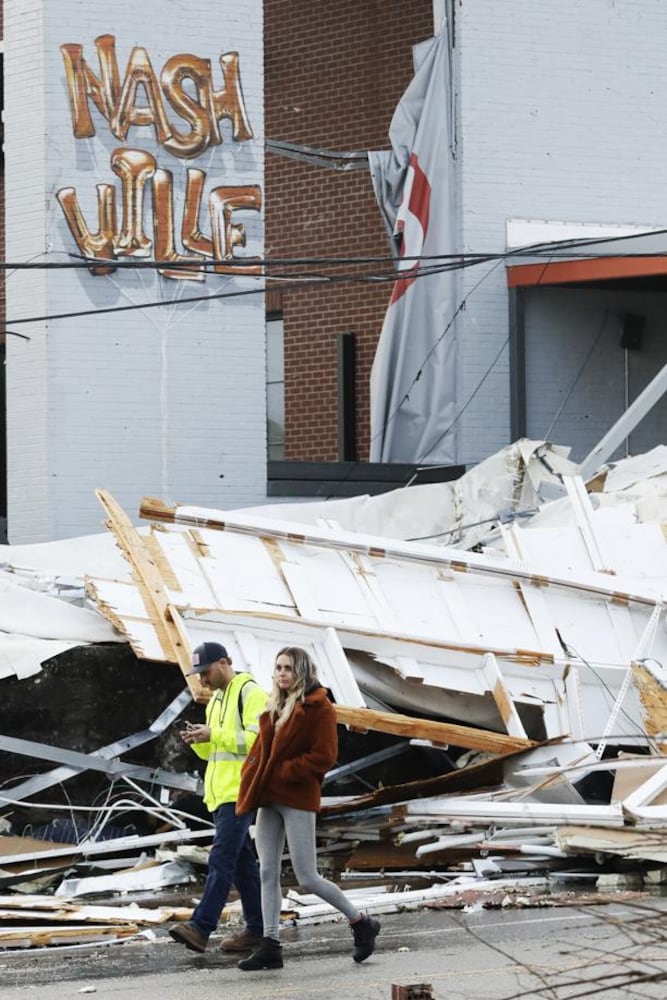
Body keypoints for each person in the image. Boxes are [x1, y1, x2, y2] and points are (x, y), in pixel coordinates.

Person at [235, 645, 380, 971]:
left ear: (301, 671)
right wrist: (253, 775)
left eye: (288, 668)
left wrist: (284, 773)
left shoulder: (320, 708)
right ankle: (270, 944)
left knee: (307, 876)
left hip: (297, 797)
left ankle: (361, 923)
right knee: (267, 871)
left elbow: (323, 756)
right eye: (278, 668)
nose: (282, 673)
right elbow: (263, 750)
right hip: (269, 798)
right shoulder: (275, 705)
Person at [168, 641, 268, 954]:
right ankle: (258, 929)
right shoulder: (215, 702)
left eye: (206, 671)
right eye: (198, 674)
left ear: (225, 662)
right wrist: (198, 740)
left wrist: (215, 735)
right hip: (221, 794)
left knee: (221, 858)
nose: (202, 680)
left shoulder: (251, 693)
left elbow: (258, 742)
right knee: (242, 865)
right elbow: (216, 751)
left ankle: (201, 927)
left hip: (240, 791)